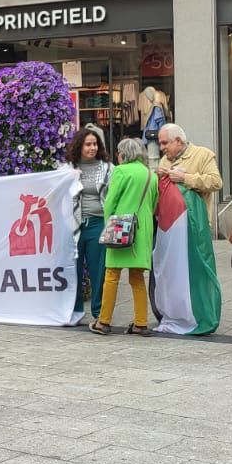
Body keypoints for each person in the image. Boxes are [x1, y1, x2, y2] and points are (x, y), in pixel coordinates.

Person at [91, 138, 159, 337]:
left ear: (123, 154)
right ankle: (140, 323)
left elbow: (111, 201)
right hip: (142, 230)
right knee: (137, 277)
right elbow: (154, 203)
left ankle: (103, 321)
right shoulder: (150, 174)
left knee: (112, 275)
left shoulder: (121, 171)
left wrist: (108, 225)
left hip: (121, 226)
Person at [67, 125, 112, 326]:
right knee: (73, 270)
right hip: (74, 226)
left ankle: (99, 311)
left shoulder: (108, 168)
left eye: (95, 144)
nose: (92, 148)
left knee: (98, 270)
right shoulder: (67, 169)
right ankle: (75, 311)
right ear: (79, 146)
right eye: (88, 144)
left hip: (97, 224)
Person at [156, 123, 223, 232]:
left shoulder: (203, 154)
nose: (161, 148)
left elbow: (216, 182)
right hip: (171, 225)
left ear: (178, 141)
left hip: (196, 224)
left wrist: (184, 178)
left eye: (165, 143)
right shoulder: (164, 160)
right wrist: (158, 178)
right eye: (160, 144)